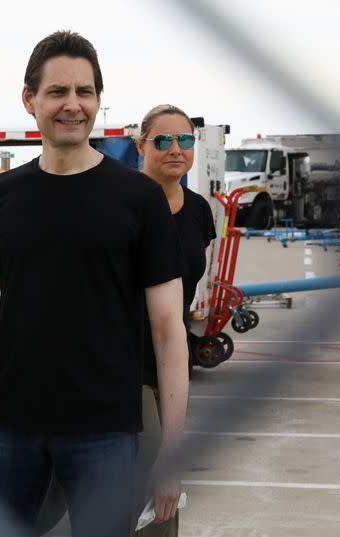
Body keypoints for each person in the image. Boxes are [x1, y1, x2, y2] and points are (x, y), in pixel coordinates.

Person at [0, 31, 190, 537]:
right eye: (58, 91)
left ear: (100, 101)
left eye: (85, 92)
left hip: (104, 431)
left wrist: (170, 451)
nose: (73, 105)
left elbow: (169, 332)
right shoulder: (0, 197)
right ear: (29, 99)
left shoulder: (139, 200)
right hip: (5, 430)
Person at [133, 105, 217, 536]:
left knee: (167, 484)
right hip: (125, 364)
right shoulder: (124, 202)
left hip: (174, 360)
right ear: (141, 144)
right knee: (150, 481)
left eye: (184, 140)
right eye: (163, 140)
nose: (175, 149)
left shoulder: (200, 211)